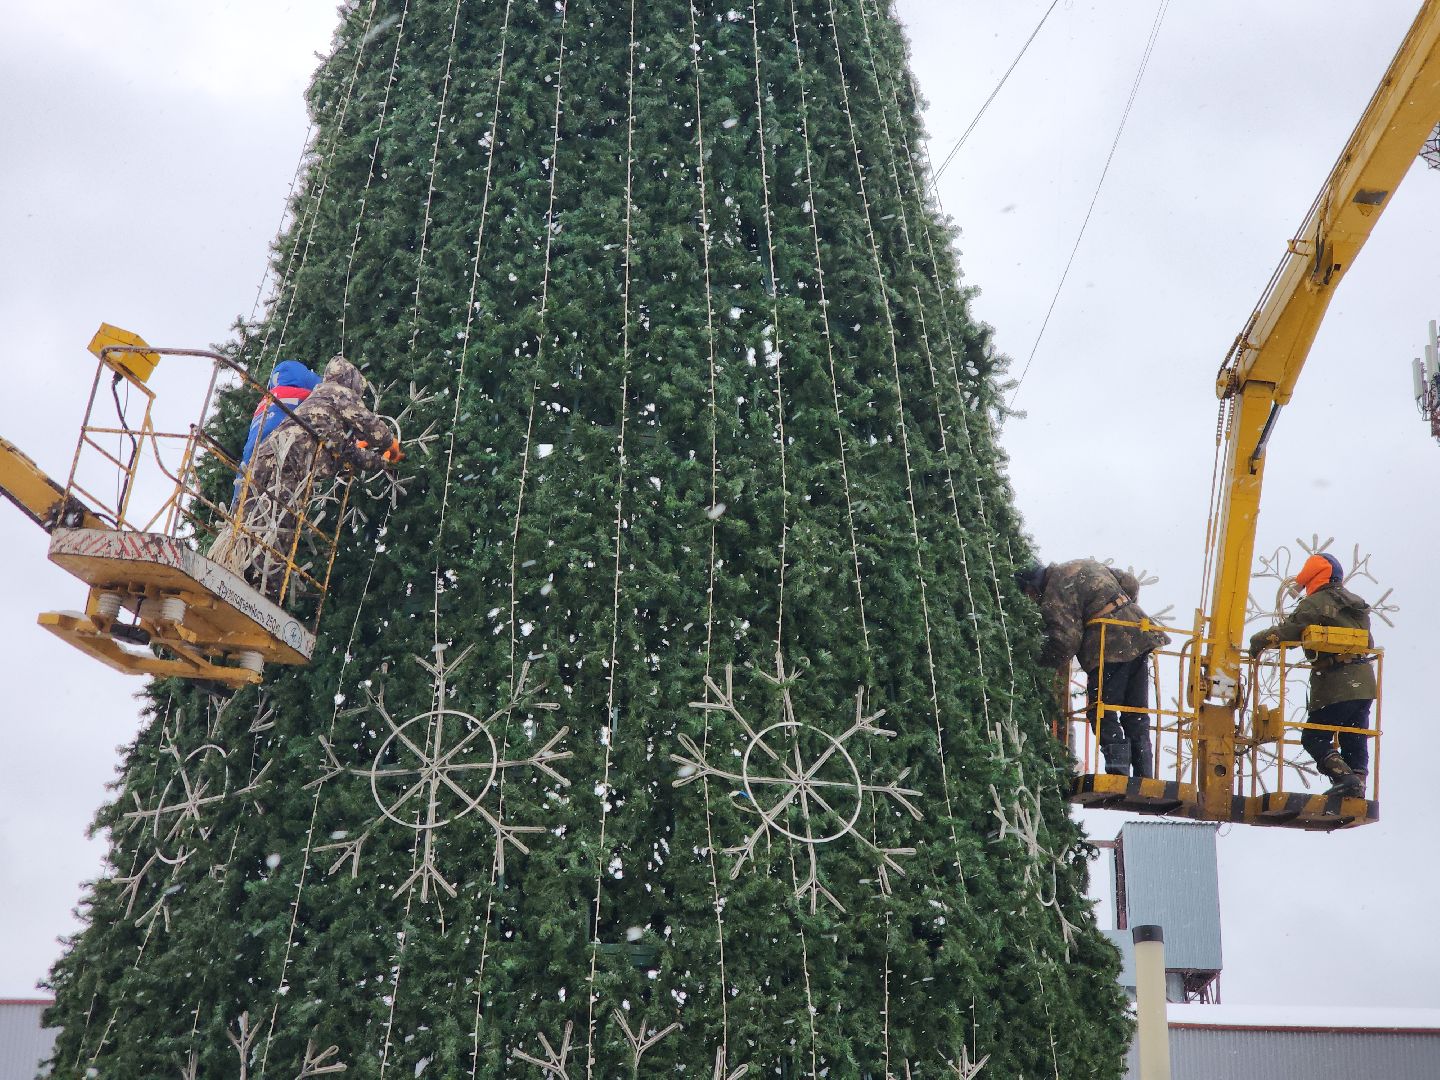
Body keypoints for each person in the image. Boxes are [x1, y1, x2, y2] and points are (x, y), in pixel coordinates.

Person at [210, 355, 401, 600]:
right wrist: (391, 447)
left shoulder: (316, 403)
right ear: (349, 381)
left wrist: (379, 462)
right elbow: (370, 425)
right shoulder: (338, 393)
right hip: (289, 462)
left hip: (265, 455)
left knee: (248, 516)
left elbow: (348, 453)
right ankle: (261, 592)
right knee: (280, 525)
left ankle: (226, 568)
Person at [1016, 558, 1171, 778]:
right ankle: (1144, 774)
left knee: (1101, 710)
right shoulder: (1078, 565)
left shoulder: (1054, 592)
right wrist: (1118, 611)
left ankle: (1119, 772)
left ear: (1032, 587)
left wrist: (1040, 664)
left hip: (1109, 646)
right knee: (1135, 712)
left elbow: (1066, 639)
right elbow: (1130, 582)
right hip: (1139, 632)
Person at [1248, 552, 1375, 798]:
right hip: (1364, 684)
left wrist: (1257, 642)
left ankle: (1345, 778)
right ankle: (1357, 784)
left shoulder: (1315, 604)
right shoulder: (1357, 604)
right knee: (1354, 735)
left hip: (1335, 685)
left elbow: (1289, 633)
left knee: (1314, 737)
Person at [232, 359, 322, 506]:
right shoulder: (304, 395)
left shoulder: (266, 399)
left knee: (243, 499)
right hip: (277, 453)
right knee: (277, 502)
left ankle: (235, 507)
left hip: (250, 457)